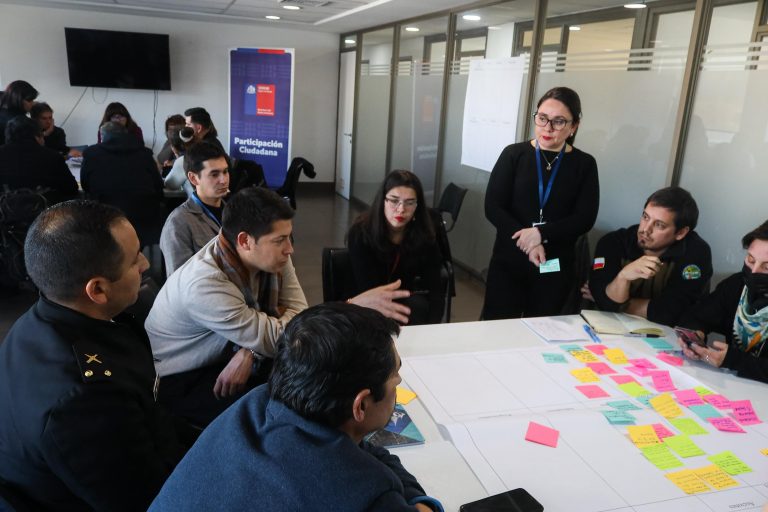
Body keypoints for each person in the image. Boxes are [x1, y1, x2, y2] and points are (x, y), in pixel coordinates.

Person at [149, 303, 443, 512]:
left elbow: (363, 451)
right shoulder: (363, 493)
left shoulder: (258, 402)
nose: (399, 383)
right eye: (395, 379)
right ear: (361, 405)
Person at [0, 200, 198, 511]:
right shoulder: (86, 400)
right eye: (134, 261)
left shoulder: (35, 322)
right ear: (98, 290)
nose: (146, 264)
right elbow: (146, 498)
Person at [146, 186, 308, 426]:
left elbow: (301, 316)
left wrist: (250, 350)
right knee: (278, 415)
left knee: (309, 382)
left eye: (289, 237)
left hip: (229, 350)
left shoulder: (270, 254)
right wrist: (259, 341)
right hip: (184, 376)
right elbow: (280, 337)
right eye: (280, 240)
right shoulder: (203, 283)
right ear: (244, 241)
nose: (290, 249)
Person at [483, 86, 599, 319]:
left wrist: (542, 234)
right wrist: (529, 239)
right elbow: (493, 206)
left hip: (553, 264)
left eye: (558, 122)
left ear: (574, 126)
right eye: (542, 118)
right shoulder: (514, 155)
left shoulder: (584, 164)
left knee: (544, 329)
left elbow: (585, 218)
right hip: (509, 260)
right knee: (498, 328)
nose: (547, 128)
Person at [586, 186, 712, 327]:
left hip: (668, 337)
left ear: (681, 233)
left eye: (659, 225)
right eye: (645, 217)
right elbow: (601, 296)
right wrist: (623, 276)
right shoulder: (612, 242)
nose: (646, 229)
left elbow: (672, 312)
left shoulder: (696, 252)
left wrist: (616, 304)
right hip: (609, 329)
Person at [347, 169, 444, 325]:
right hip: (364, 304)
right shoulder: (360, 233)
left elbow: (436, 289)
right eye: (394, 200)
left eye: (409, 202)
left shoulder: (424, 235)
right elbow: (368, 291)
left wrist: (433, 327)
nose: (401, 209)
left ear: (417, 206)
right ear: (383, 201)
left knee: (419, 307)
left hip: (400, 304)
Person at [677, 220, 768, 384]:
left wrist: (734, 360)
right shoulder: (737, 285)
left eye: (767, 267)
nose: (754, 272)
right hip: (734, 387)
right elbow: (697, 315)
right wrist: (694, 336)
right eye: (751, 259)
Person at [81, 121, 164, 248]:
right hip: (144, 217)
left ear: (102, 137)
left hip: (104, 218)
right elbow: (158, 185)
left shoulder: (91, 154)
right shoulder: (145, 153)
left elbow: (86, 185)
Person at [160, 141, 229, 276]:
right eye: (214, 174)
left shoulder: (235, 213)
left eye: (225, 172)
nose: (224, 180)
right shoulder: (178, 223)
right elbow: (179, 281)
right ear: (193, 178)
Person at [0, 115, 77, 204]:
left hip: (4, 212)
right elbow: (71, 189)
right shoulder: (52, 157)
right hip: (44, 213)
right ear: (37, 135)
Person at [0, 79, 38, 145]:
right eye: (29, 100)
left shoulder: (3, 108)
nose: (33, 103)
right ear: (18, 99)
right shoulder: (20, 122)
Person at [162, 126, 195, 194]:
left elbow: (170, 184)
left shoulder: (183, 161)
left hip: (197, 203)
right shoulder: (204, 153)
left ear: (173, 147)